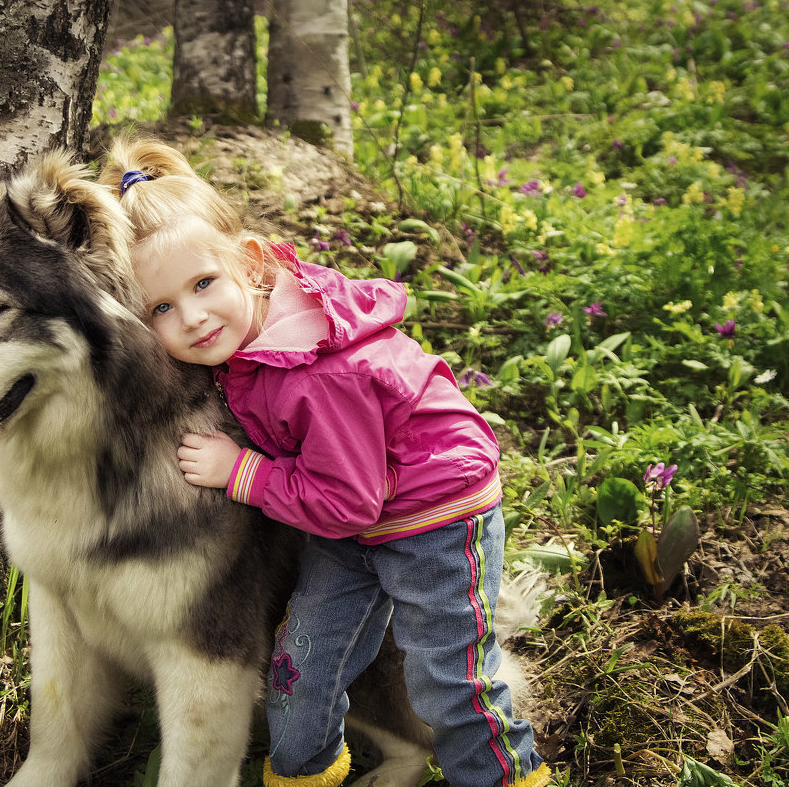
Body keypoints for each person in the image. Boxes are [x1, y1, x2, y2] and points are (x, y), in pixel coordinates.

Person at [99, 135, 550, 787]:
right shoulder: (242, 348)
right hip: (351, 526)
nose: (192, 317)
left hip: (434, 517)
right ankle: (303, 769)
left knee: (446, 675)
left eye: (203, 284)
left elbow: (348, 499)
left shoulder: (321, 375)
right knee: (301, 661)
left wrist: (241, 472)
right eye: (161, 308)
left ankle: (503, 777)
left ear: (252, 264)